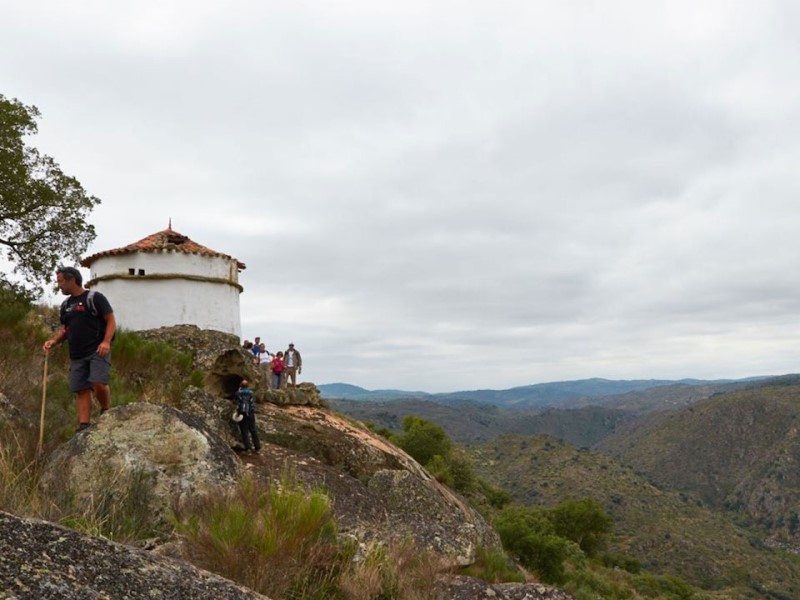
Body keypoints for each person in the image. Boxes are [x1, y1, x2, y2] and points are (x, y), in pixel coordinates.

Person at [42, 266, 116, 432]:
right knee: (81, 389)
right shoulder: (66, 305)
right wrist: (54, 341)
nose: (58, 285)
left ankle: (105, 411)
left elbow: (110, 320)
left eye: (60, 281)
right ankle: (84, 426)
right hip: (76, 354)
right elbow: (68, 329)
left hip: (97, 350)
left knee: (99, 383)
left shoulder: (94, 298)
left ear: (72, 280)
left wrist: (106, 342)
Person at [234, 379, 260, 454]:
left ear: (240, 386)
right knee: (253, 430)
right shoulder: (251, 393)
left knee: (244, 431)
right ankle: (257, 448)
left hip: (242, 414)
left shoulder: (238, 393)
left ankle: (248, 448)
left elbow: (235, 400)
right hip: (251, 414)